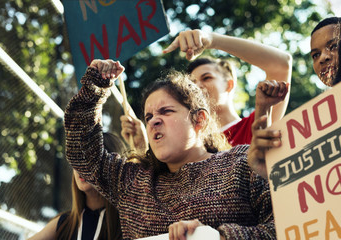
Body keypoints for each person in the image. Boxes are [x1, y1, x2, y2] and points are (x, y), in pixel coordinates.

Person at [64, 59, 288, 239]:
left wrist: (214, 237)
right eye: (149, 116)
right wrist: (94, 88)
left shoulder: (243, 163)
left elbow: (286, 228)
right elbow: (82, 153)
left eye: (166, 111)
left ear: (199, 119)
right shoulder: (132, 181)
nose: (153, 121)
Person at [121, 30, 292, 150]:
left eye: (207, 78)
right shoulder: (190, 146)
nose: (198, 87)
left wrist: (212, 40)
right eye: (192, 84)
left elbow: (281, 65)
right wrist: (142, 148)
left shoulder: (257, 123)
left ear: (229, 85)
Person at [248, 16, 341, 179]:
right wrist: (267, 170)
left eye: (333, 46)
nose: (323, 58)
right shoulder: (317, 125)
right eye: (315, 55)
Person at [28, 132, 125, 240]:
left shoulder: (128, 223)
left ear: (113, 166)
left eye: (91, 158)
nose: (81, 166)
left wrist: (141, 147)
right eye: (78, 158)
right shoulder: (64, 224)